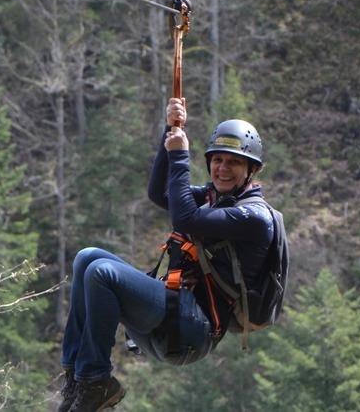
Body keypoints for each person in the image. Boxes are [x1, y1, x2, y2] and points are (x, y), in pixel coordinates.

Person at [57, 97, 274, 412]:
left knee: (101, 273)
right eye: (217, 160)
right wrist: (169, 131)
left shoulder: (252, 216)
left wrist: (180, 155)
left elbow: (185, 218)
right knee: (87, 257)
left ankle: (96, 381)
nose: (222, 169)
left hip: (193, 329)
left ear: (251, 170)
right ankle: (76, 381)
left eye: (234, 162)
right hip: (175, 311)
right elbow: (159, 193)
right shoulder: (214, 199)